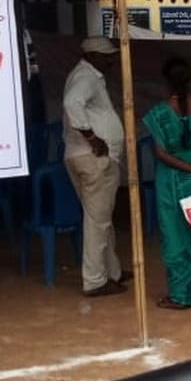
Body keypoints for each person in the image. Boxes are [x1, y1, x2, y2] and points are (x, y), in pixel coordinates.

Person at [143, 57, 191, 309]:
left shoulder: (159, 113)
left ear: (166, 82)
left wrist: (190, 168)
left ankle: (179, 296)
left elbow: (162, 154)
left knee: (175, 238)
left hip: (171, 184)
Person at [62, 36, 128, 297]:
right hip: (93, 158)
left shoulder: (85, 75)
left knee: (100, 217)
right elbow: (71, 103)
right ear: (93, 55)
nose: (112, 60)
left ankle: (113, 271)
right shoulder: (86, 77)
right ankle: (95, 280)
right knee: (97, 221)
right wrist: (92, 136)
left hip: (82, 156)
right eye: (107, 55)